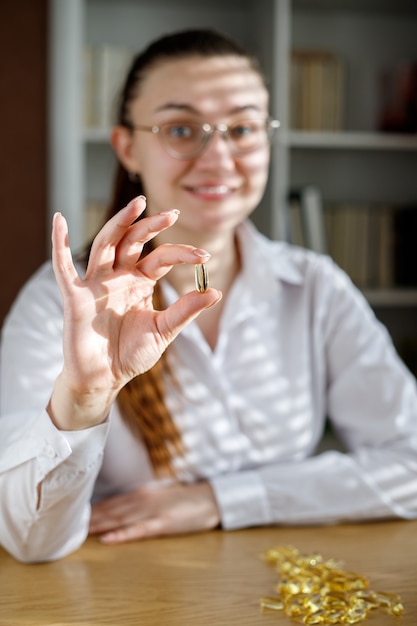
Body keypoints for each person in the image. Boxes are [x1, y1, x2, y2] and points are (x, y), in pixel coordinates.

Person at [1, 28, 417, 564]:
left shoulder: (315, 288)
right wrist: (83, 398)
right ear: (128, 147)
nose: (219, 157)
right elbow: (27, 540)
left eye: (242, 128)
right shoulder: (61, 303)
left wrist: (217, 501)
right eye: (180, 128)